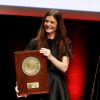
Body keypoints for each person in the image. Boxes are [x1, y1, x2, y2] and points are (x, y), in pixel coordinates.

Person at [15, 9, 72, 100]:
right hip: (37, 86)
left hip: (55, 86)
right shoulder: (35, 42)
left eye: (52, 22)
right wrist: (20, 86)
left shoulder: (64, 43)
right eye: (46, 21)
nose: (48, 24)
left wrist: (50, 57)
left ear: (58, 25)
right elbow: (23, 65)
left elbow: (64, 68)